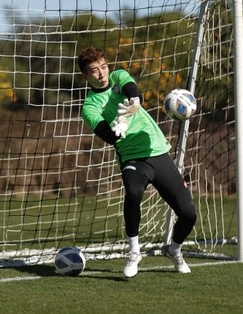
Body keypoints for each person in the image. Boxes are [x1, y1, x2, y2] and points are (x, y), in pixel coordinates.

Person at [78, 46, 196, 277]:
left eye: (103, 67)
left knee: (188, 214)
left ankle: (174, 249)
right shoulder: (90, 106)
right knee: (133, 192)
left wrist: (134, 102)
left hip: (156, 149)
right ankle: (134, 252)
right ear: (86, 76)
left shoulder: (117, 77)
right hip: (131, 156)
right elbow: (107, 136)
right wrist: (118, 126)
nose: (102, 74)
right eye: (94, 71)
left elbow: (132, 90)